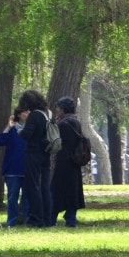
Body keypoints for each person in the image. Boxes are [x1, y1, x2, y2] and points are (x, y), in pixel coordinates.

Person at [18, 89, 53, 227]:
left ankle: (36, 218)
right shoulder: (49, 113)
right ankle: (47, 218)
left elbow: (27, 134)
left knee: (33, 185)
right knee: (45, 186)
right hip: (46, 153)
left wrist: (20, 130)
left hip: (34, 153)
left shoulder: (34, 116)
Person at [50, 96, 86, 227]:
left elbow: (54, 139)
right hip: (74, 162)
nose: (57, 111)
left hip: (64, 161)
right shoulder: (76, 122)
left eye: (59, 109)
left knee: (56, 191)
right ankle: (70, 218)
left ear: (63, 109)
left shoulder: (64, 124)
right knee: (72, 191)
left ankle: (51, 218)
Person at [0, 107, 31, 226]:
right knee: (12, 198)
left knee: (27, 198)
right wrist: (8, 126)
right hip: (12, 170)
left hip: (27, 169)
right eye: (25, 112)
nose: (27, 114)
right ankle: (11, 221)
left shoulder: (31, 130)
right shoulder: (12, 130)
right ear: (19, 115)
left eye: (28, 112)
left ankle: (27, 220)